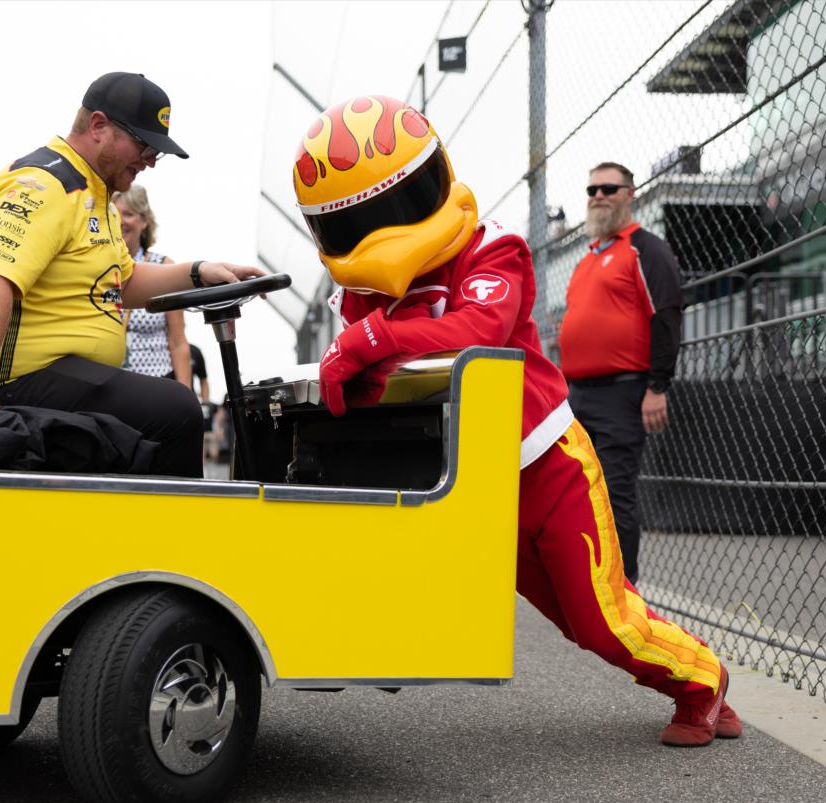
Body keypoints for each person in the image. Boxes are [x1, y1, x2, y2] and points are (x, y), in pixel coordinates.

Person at [295, 95, 739, 747]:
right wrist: (360, 356)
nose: (384, 227)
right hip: (470, 481)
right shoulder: (360, 291)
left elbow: (477, 330)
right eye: (362, 218)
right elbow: (378, 374)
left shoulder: (491, 244)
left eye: (399, 202)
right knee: (574, 623)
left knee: (603, 620)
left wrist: (372, 340)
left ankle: (702, 681)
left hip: (548, 464)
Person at [0, 71, 263, 477]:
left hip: (56, 376)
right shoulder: (44, 184)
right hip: (13, 382)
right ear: (98, 126)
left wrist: (200, 272)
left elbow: (122, 283)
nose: (150, 161)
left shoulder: (97, 197)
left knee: (168, 410)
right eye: (144, 146)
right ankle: (177, 521)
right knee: (176, 410)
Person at [557, 162, 685, 585]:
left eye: (608, 188)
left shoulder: (645, 249)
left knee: (614, 494)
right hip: (578, 396)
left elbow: (666, 316)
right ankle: (589, 586)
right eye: (592, 189)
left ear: (630, 194)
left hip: (622, 394)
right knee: (578, 495)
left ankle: (624, 591)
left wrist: (658, 387)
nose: (598, 196)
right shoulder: (587, 259)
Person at [114, 185, 192, 387]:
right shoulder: (98, 267)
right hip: (110, 385)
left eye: (128, 214)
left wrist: (186, 397)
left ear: (144, 221)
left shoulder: (163, 267)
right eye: (114, 213)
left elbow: (178, 342)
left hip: (156, 382)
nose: (120, 221)